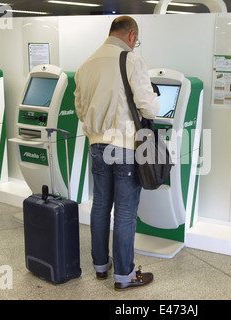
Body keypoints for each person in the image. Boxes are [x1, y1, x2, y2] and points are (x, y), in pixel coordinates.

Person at [74, 16, 160, 291]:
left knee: (100, 205)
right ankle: (125, 275)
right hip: (124, 144)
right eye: (137, 41)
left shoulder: (86, 64)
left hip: (96, 144)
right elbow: (150, 109)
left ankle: (101, 266)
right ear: (132, 36)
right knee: (124, 211)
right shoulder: (131, 59)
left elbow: (80, 109)